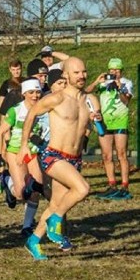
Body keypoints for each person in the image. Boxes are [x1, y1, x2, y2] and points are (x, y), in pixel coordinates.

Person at [19, 57, 98, 260]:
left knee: (56, 203)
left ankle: (34, 240)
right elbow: (31, 115)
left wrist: (98, 120)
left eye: (84, 72)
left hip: (74, 158)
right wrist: (23, 145)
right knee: (82, 189)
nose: (81, 76)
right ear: (66, 75)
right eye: (76, 72)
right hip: (53, 156)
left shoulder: (90, 100)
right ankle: (56, 221)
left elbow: (99, 129)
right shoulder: (57, 98)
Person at [0, 78, 45, 216]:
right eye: (31, 92)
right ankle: (6, 179)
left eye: (37, 92)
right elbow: (1, 131)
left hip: (33, 152)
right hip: (15, 152)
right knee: (21, 193)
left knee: (36, 190)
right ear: (24, 94)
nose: (35, 96)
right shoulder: (15, 110)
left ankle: (27, 226)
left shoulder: (43, 109)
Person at [86, 57, 133, 198]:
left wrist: (120, 88)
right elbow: (84, 93)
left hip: (120, 122)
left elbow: (126, 101)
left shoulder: (127, 83)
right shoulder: (103, 83)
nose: (114, 73)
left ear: (121, 71)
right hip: (104, 122)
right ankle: (111, 184)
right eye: (112, 70)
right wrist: (96, 82)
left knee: (121, 154)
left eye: (117, 70)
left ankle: (125, 186)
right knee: (106, 155)